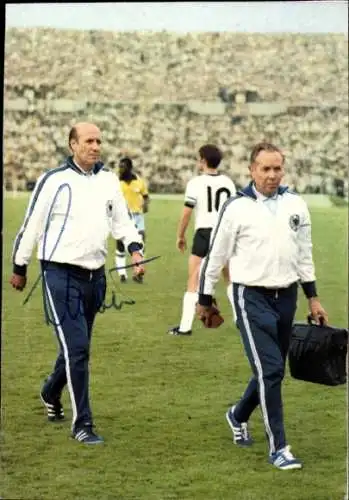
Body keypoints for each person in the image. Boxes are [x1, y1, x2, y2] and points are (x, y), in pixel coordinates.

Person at [10, 122, 145, 445]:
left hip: (95, 276)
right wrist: (20, 265)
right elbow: (32, 225)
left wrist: (136, 249)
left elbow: (121, 221)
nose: (95, 146)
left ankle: (50, 390)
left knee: (75, 347)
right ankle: (82, 423)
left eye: (99, 140)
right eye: (88, 141)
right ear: (73, 144)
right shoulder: (54, 180)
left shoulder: (109, 180)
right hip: (59, 274)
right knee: (78, 348)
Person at [197, 141, 328, 470]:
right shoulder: (236, 207)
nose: (271, 175)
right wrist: (204, 297)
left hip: (286, 297)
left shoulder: (296, 204)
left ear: (283, 169)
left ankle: (237, 415)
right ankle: (279, 447)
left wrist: (312, 297)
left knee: (269, 369)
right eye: (265, 169)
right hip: (249, 296)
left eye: (277, 168)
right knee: (270, 370)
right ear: (252, 170)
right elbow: (216, 256)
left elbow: (304, 254)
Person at [168, 144, 236, 336]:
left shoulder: (196, 183)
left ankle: (185, 327)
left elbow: (186, 213)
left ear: (203, 160)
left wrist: (180, 236)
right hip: (224, 233)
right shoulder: (228, 182)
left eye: (199, 158)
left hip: (204, 233)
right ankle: (241, 320)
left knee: (193, 280)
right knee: (230, 279)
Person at [114, 157, 149, 284]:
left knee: (140, 243)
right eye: (120, 166)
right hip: (122, 217)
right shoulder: (116, 182)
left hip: (137, 216)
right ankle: (122, 273)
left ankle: (138, 271)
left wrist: (145, 205)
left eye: (123, 166)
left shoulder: (138, 181)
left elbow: (145, 196)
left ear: (129, 168)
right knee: (121, 245)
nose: (120, 169)